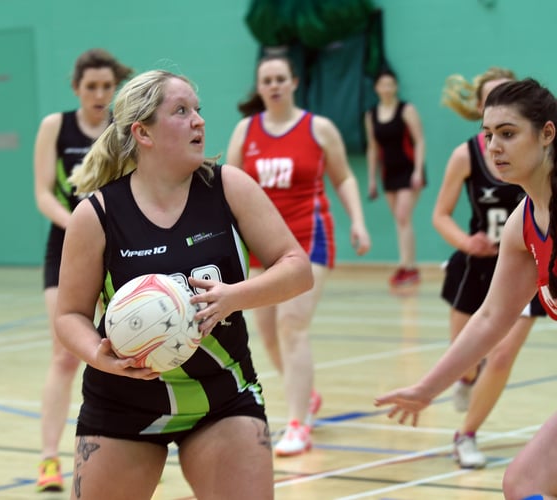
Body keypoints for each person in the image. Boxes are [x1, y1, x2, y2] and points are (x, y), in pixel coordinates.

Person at [55, 69, 314, 500]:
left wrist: (233, 297)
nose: (199, 121)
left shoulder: (228, 186)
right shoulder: (97, 214)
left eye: (198, 110)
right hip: (123, 402)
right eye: (181, 111)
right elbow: (69, 316)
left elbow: (297, 268)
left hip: (222, 399)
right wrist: (99, 357)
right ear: (143, 133)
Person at [376, 78, 557, 500]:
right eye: (488, 134)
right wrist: (427, 389)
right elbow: (492, 318)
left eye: (508, 134)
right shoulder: (523, 223)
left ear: (547, 133)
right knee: (523, 484)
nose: (494, 146)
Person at [226, 53, 371, 456]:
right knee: (268, 334)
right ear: (259, 87)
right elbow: (230, 185)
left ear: (293, 82)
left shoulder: (318, 128)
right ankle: (305, 394)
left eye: (279, 78)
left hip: (309, 238)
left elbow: (342, 177)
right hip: (260, 245)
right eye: (266, 80)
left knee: (292, 324)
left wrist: (357, 221)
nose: (273, 85)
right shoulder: (245, 131)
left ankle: (297, 424)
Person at [434, 67, 545, 469]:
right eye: (488, 100)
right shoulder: (466, 155)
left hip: (528, 267)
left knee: (499, 357)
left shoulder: (536, 161)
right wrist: (467, 243)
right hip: (477, 266)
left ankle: (466, 434)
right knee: (467, 359)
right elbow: (440, 215)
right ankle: (463, 381)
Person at [31, 49, 132, 492]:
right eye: (91, 86)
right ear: (76, 88)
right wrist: (79, 226)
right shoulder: (55, 127)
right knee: (64, 354)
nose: (99, 94)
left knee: (128, 345)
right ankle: (49, 458)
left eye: (107, 87)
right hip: (66, 243)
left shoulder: (122, 129)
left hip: (117, 247)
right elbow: (42, 193)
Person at [364, 68, 426, 287]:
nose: (387, 88)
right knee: (399, 220)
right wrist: (372, 179)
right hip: (388, 172)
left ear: (396, 87)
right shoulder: (371, 115)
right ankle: (408, 266)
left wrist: (418, 171)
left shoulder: (406, 110)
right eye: (383, 84)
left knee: (403, 216)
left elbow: (419, 141)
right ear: (377, 88)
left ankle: (407, 267)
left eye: (391, 84)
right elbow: (372, 148)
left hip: (409, 171)